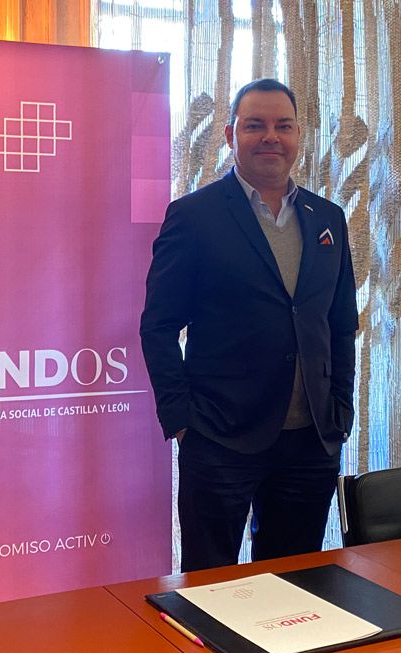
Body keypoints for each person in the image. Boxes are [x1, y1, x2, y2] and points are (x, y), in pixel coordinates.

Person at [139, 79, 358, 572]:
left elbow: (341, 325)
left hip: (310, 441)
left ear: (300, 134)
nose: (270, 137)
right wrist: (180, 419)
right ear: (229, 134)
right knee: (211, 585)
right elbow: (158, 325)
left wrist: (340, 410)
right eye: (254, 125)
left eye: (283, 126)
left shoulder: (328, 218)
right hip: (219, 438)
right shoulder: (193, 217)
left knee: (295, 586)